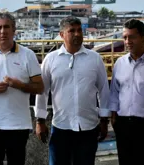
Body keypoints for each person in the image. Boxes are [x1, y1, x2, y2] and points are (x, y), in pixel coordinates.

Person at [34, 16, 110, 165]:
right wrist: (40, 121)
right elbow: (42, 92)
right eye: (72, 31)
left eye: (79, 30)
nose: (77, 34)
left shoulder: (94, 59)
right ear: (62, 35)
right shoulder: (51, 59)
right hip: (61, 126)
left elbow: (104, 90)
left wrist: (104, 119)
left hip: (88, 126)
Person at [0, 12, 44, 165]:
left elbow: (39, 87)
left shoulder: (28, 55)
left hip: (18, 125)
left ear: (14, 30)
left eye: (6, 27)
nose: (3, 31)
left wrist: (20, 85)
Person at [109, 19, 144, 165]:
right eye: (125, 37)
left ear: (143, 38)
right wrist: (113, 116)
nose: (128, 41)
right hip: (124, 124)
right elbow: (115, 92)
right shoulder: (119, 63)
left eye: (132, 37)